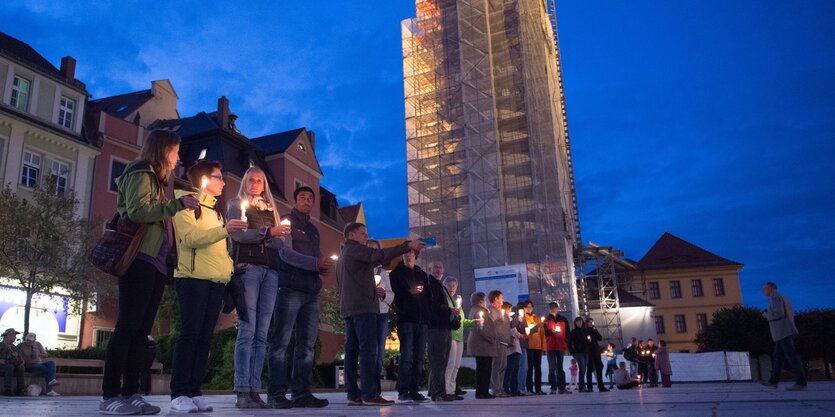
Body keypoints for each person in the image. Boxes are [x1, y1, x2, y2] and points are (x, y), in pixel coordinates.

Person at [101, 130, 199, 415]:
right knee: (127, 328)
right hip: (139, 258)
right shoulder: (140, 170)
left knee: (141, 332)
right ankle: (109, 395)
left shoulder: (157, 180)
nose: (178, 157)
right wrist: (177, 204)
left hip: (155, 263)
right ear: (163, 149)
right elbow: (137, 211)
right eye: (176, 150)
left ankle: (131, 393)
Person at [168, 160, 249, 413]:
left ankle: (193, 391)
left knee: (204, 338)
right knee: (190, 334)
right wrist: (224, 230)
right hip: (192, 277)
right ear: (204, 179)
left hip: (215, 280)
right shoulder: (186, 204)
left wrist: (228, 273)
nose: (224, 182)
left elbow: (219, 248)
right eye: (219, 177)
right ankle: (178, 392)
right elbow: (190, 239)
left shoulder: (215, 210)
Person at [227, 167, 296, 409]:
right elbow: (238, 236)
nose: (255, 184)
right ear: (245, 182)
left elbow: (282, 243)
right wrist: (268, 233)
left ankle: (255, 389)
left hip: (271, 271)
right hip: (248, 268)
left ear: (265, 185)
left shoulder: (271, 210)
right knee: (247, 329)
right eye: (251, 180)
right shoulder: (237, 204)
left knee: (261, 334)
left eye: (260, 181)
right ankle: (242, 390)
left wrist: (268, 234)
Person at [266, 186, 335, 409]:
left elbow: (314, 257)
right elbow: (285, 254)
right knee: (281, 342)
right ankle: (276, 393)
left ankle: (301, 393)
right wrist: (315, 263)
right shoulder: (286, 221)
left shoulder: (314, 229)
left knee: (307, 345)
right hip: (290, 288)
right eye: (302, 197)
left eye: (310, 198)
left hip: (311, 291)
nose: (306, 200)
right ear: (295, 200)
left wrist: (321, 267)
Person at [338, 222, 420, 406]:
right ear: (351, 235)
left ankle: (354, 394)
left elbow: (378, 260)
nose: (365, 236)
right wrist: (407, 246)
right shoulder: (355, 249)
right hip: (363, 306)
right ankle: (370, 394)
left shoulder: (345, 253)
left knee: (352, 351)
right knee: (369, 351)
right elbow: (380, 254)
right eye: (362, 233)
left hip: (350, 307)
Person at [390, 250, 430, 402]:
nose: (408, 255)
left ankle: (415, 390)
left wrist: (427, 316)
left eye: (411, 253)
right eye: (405, 252)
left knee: (419, 357)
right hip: (406, 319)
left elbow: (427, 297)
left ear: (416, 256)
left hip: (422, 320)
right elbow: (395, 295)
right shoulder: (397, 273)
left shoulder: (421, 273)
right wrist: (409, 292)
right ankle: (403, 391)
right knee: (406, 356)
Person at [761, 282, 806, 391]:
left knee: (792, 356)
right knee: (779, 357)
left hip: (783, 332)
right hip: (782, 332)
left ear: (771, 288)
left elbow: (779, 313)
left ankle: (801, 382)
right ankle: (773, 381)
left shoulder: (775, 297)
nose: (763, 290)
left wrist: (767, 315)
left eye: (765, 288)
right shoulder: (780, 296)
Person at [426, 261, 460, 402]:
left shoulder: (441, 286)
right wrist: (449, 310)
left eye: (440, 267)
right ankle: (437, 392)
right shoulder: (430, 285)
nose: (438, 270)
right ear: (429, 270)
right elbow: (432, 306)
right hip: (436, 327)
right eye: (435, 267)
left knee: (444, 361)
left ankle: (441, 391)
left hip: (445, 327)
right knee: (438, 361)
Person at [366, 239, 395, 401]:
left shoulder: (383, 273)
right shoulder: (361, 269)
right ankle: (366, 389)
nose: (372, 252)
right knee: (367, 352)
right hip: (365, 312)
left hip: (381, 313)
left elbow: (391, 295)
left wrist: (383, 294)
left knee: (378, 353)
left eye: (376, 250)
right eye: (369, 249)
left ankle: (375, 390)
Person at [443, 277, 477, 399]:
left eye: (454, 286)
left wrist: (473, 322)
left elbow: (461, 321)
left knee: (457, 365)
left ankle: (452, 390)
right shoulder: (445, 300)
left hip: (459, 337)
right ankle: (446, 390)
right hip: (450, 335)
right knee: (450, 364)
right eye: (449, 285)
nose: (452, 288)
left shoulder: (457, 302)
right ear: (444, 286)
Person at [467, 292, 495, 399]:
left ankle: (482, 391)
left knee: (482, 368)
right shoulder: (480, 311)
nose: (486, 302)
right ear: (481, 301)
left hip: (479, 344)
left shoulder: (473, 310)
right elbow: (482, 329)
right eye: (484, 300)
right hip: (483, 344)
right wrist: (491, 338)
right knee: (485, 369)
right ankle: (482, 392)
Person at [543, 302, 571, 394]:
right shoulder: (546, 320)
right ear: (549, 309)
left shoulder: (563, 319)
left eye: (554, 307)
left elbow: (567, 333)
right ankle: (553, 387)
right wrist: (551, 332)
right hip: (550, 346)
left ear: (557, 308)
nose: (553, 309)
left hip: (560, 345)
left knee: (560, 367)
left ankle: (562, 388)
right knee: (552, 368)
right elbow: (544, 333)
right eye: (551, 307)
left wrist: (566, 343)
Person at [488, 291, 512, 398]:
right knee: (497, 366)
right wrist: (498, 321)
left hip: (504, 342)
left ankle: (500, 388)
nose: (502, 299)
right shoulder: (491, 310)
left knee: (503, 366)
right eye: (501, 297)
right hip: (497, 342)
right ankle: (496, 389)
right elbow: (490, 324)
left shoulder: (500, 311)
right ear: (496, 298)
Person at [502, 302, 524, 396]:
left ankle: (514, 389)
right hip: (510, 347)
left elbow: (514, 330)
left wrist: (521, 335)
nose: (510, 310)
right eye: (509, 308)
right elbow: (510, 330)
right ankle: (507, 388)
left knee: (515, 369)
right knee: (510, 369)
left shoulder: (509, 318)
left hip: (516, 346)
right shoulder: (505, 318)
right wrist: (518, 334)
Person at [523, 301, 545, 395]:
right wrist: (535, 328)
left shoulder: (537, 318)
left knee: (538, 368)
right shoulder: (523, 319)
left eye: (531, 306)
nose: (529, 308)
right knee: (530, 368)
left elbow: (542, 333)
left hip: (537, 345)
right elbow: (525, 332)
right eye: (527, 307)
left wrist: (543, 346)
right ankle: (529, 388)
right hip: (529, 345)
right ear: (524, 308)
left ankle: (538, 388)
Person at [584, 318, 609, 393]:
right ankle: (589, 387)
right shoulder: (585, 330)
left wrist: (595, 330)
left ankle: (601, 386)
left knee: (599, 368)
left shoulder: (594, 330)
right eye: (590, 322)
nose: (591, 323)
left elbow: (600, 338)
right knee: (589, 369)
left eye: (592, 322)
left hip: (596, 351)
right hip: (589, 351)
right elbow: (586, 340)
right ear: (587, 323)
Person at [1, 328, 25, 396]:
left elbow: (20, 359)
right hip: (2, 366)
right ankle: (7, 389)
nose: (15, 337)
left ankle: (20, 389)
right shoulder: (1, 345)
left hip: (13, 365)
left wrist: (20, 361)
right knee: (9, 367)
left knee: (21, 367)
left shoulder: (15, 347)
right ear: (8, 336)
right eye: (13, 335)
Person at [567, 317, 588, 392]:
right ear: (575, 323)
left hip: (585, 351)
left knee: (584, 369)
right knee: (582, 368)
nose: (579, 323)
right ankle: (581, 386)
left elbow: (588, 339)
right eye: (578, 321)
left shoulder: (585, 330)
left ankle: (582, 386)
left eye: (581, 321)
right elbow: (569, 342)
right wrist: (572, 351)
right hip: (578, 352)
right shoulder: (573, 332)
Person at [515, 302, 528, 395]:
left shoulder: (524, 319)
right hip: (519, 345)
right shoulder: (517, 318)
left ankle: (523, 387)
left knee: (524, 367)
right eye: (524, 309)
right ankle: (519, 388)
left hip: (524, 344)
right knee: (521, 367)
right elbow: (515, 330)